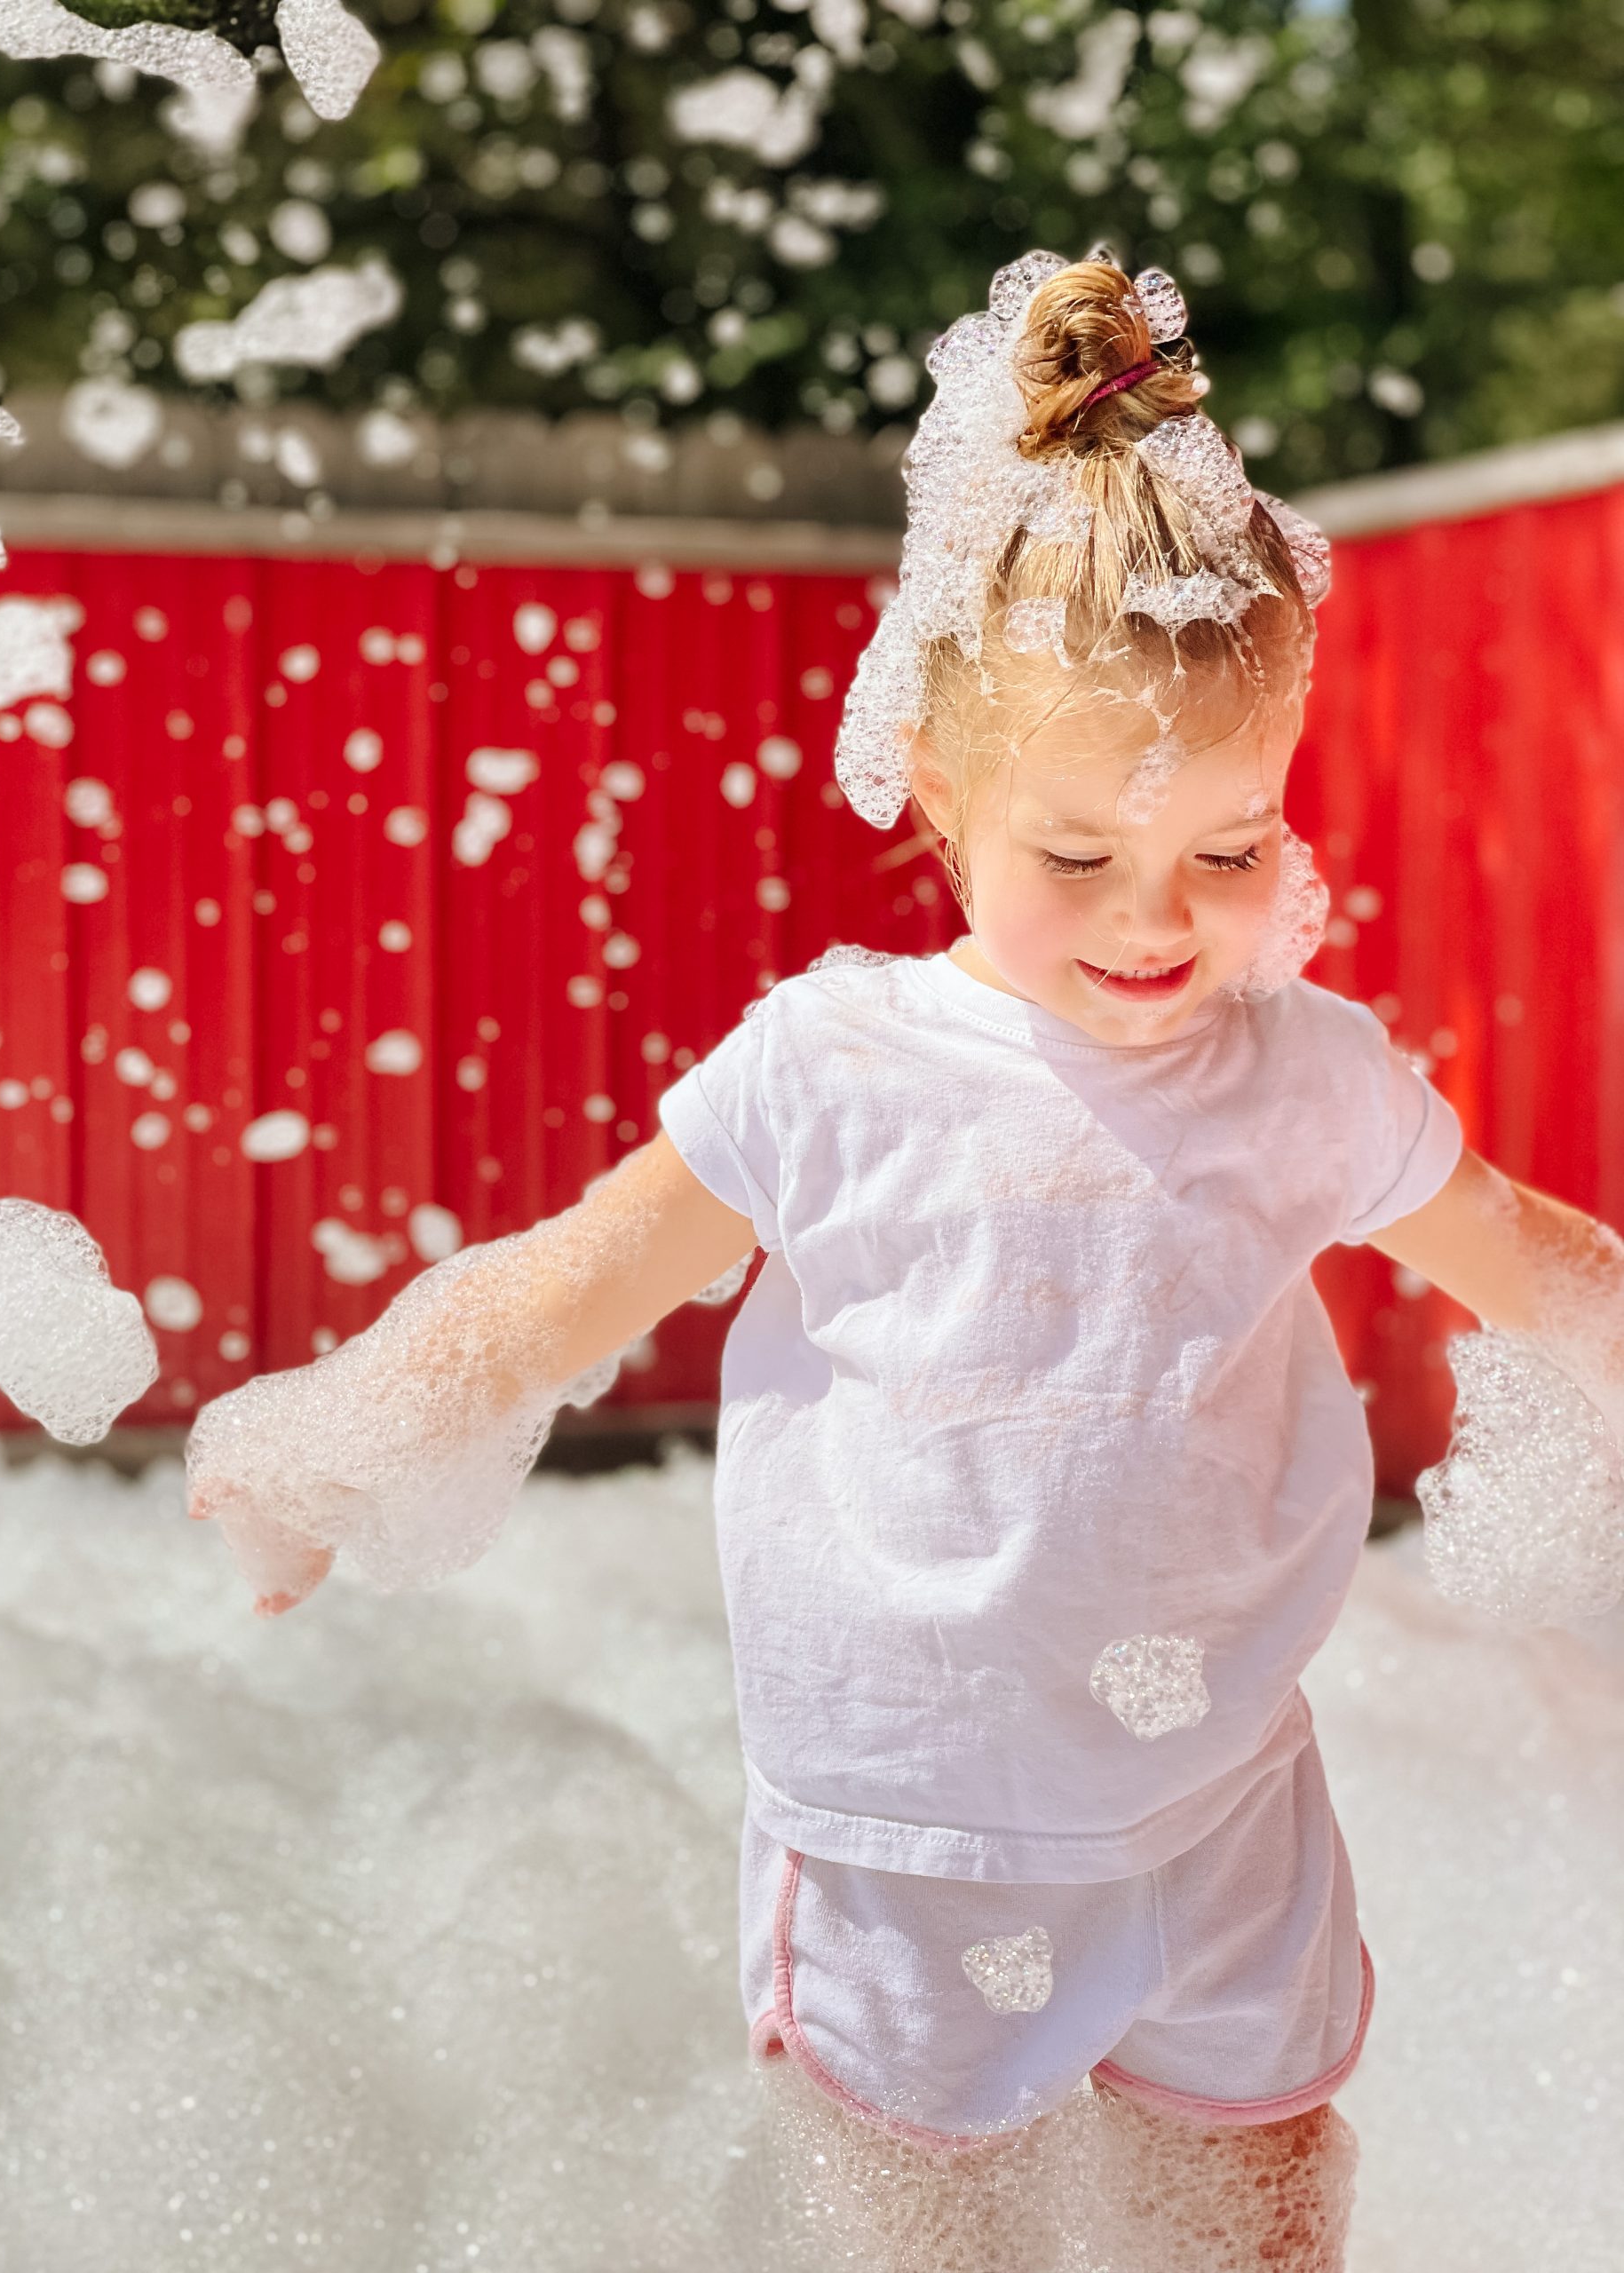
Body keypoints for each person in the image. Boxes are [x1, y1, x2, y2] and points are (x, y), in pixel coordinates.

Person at [185, 253, 1624, 2269]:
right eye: (1078, 856)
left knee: (1270, 2217)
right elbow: (564, 1287)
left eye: (1229, 848)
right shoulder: (836, 1066)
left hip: (1220, 1798)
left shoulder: (1300, 1075)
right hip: (912, 1845)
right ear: (939, 797)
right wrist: (336, 1439)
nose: (1159, 919)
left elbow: (1534, 1254)